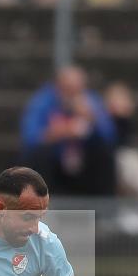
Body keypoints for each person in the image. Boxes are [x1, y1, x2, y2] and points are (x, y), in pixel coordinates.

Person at [21, 65, 118, 197]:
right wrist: (59, 133)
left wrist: (92, 118)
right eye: (68, 89)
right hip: (54, 162)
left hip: (85, 162)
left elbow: (110, 136)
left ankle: (103, 205)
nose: (73, 95)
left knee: (104, 155)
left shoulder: (92, 101)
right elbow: (30, 138)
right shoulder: (43, 101)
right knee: (38, 156)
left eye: (78, 90)